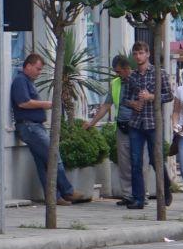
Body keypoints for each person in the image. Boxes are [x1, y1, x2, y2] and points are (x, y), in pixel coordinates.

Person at [10, 52, 89, 206]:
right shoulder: (20, 80)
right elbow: (23, 102)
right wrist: (46, 104)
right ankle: (67, 191)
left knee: (43, 163)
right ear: (28, 66)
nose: (39, 73)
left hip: (33, 126)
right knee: (53, 156)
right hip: (30, 126)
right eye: (38, 69)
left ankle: (54, 197)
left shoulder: (27, 81)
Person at [121, 42, 172, 211]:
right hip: (136, 123)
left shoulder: (159, 73)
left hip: (153, 123)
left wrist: (152, 97)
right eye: (135, 54)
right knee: (135, 161)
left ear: (148, 54)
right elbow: (125, 99)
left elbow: (169, 95)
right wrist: (133, 103)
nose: (138, 56)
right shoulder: (132, 76)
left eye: (141, 53)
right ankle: (138, 199)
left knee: (156, 159)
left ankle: (166, 189)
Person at [91, 54, 133, 205]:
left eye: (119, 71)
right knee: (124, 163)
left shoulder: (137, 80)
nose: (117, 74)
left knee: (138, 162)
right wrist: (92, 123)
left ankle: (141, 194)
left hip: (137, 127)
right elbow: (106, 106)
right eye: (115, 71)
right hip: (122, 127)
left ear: (127, 68)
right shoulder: (115, 83)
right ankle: (128, 195)